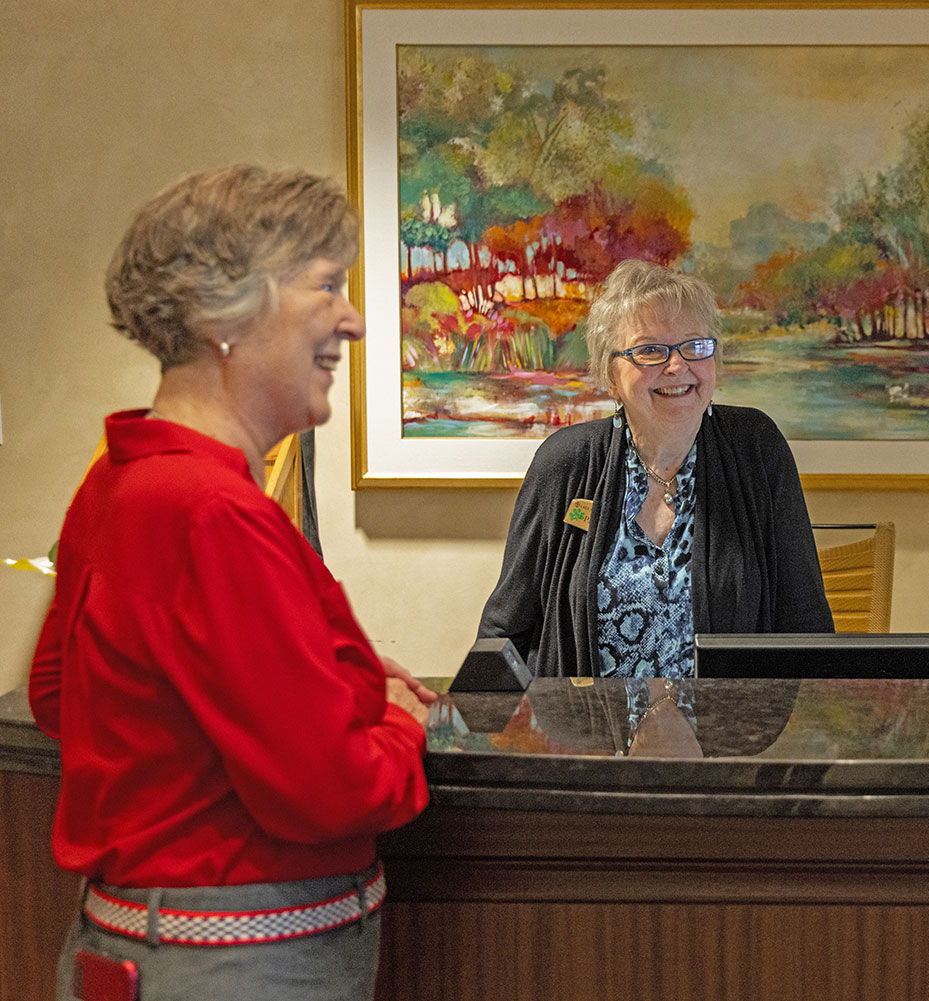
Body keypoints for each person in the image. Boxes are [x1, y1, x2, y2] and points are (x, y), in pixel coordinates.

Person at [29, 165, 433, 1001]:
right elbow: (329, 790)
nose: (353, 320)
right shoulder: (213, 511)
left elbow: (57, 696)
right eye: (327, 285)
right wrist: (397, 724)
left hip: (150, 945)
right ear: (227, 315)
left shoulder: (119, 481)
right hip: (240, 969)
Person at [477, 258, 833, 677]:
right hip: (588, 736)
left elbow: (806, 623)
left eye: (695, 345)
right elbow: (504, 632)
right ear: (611, 376)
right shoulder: (564, 465)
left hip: (728, 736)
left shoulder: (756, 448)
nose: (678, 366)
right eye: (650, 350)